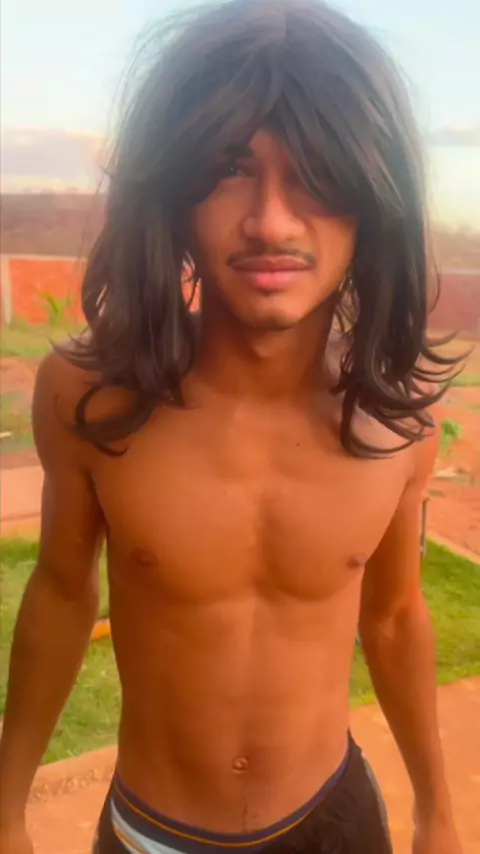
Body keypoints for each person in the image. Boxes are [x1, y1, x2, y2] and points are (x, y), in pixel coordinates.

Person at [0, 1, 464, 852]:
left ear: (375, 199)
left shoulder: (396, 420)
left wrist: (437, 805)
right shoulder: (91, 398)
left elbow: (395, 615)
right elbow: (63, 592)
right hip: (154, 833)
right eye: (229, 169)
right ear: (171, 193)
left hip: (338, 822)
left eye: (317, 173)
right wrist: (6, 805)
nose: (272, 222)